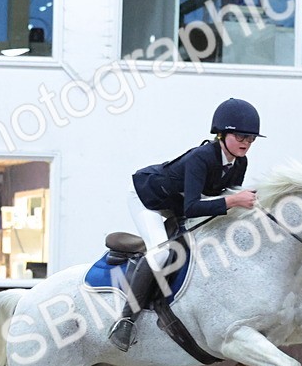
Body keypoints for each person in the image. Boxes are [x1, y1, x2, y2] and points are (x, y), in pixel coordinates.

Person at [108, 97, 263, 351]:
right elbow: (194, 206)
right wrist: (234, 200)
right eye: (241, 137)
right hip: (148, 198)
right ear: (222, 135)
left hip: (178, 202)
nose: (246, 143)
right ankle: (125, 320)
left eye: (251, 139)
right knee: (161, 254)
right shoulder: (201, 158)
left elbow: (223, 198)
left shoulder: (239, 162)